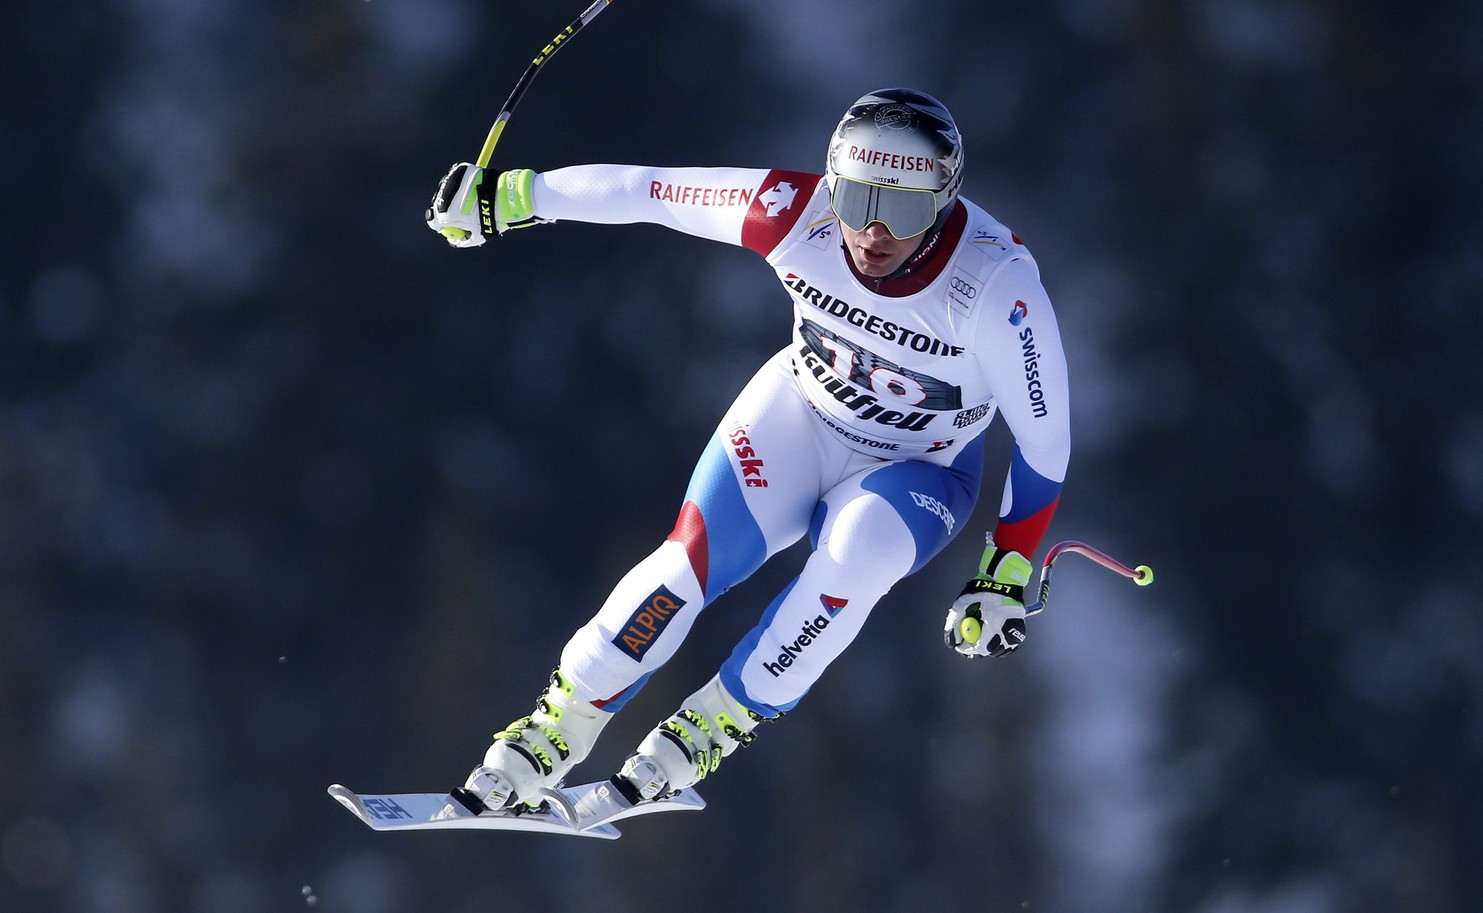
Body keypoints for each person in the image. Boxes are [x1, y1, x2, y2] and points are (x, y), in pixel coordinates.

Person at [425, 88, 1071, 810]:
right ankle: (555, 728)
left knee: (860, 553)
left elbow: (1046, 439)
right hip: (801, 416)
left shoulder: (994, 289)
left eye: (907, 210)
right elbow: (651, 191)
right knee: (687, 561)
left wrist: (1006, 567)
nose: (874, 231)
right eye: (857, 201)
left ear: (947, 203)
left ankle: (715, 723)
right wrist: (514, 196)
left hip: (919, 467)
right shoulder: (797, 213)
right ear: (832, 185)